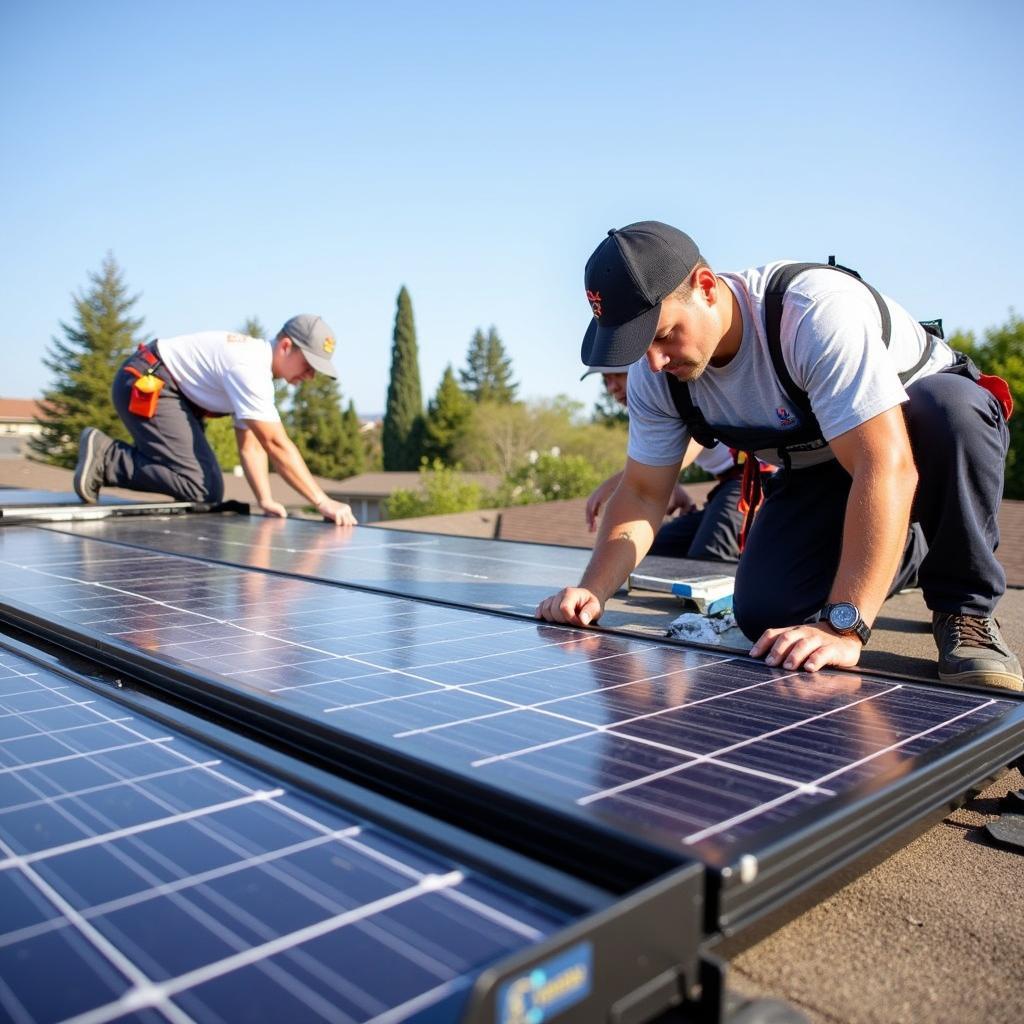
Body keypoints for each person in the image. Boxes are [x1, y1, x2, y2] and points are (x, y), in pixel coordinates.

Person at [537, 221, 1021, 692]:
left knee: (951, 410)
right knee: (768, 614)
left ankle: (965, 610)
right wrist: (592, 591)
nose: (655, 361)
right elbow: (643, 493)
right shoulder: (655, 372)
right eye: (640, 346)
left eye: (663, 335)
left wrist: (844, 625)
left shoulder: (810, 315)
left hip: (917, 442)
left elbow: (885, 465)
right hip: (823, 464)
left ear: (706, 287)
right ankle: (907, 549)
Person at [73, 315, 357, 525]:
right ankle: (108, 457)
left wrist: (265, 499)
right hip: (148, 383)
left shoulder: (255, 367)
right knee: (201, 487)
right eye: (308, 365)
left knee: (207, 489)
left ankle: (113, 457)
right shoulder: (250, 368)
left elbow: (252, 446)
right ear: (285, 346)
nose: (309, 377)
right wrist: (322, 501)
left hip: (166, 387)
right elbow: (276, 445)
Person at [583, 366, 747, 562]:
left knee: (708, 557)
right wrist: (673, 487)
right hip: (726, 488)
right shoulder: (654, 411)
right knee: (645, 552)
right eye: (606, 380)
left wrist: (608, 487)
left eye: (618, 375)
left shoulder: (682, 391)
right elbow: (662, 466)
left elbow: (678, 456)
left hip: (755, 484)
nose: (611, 388)